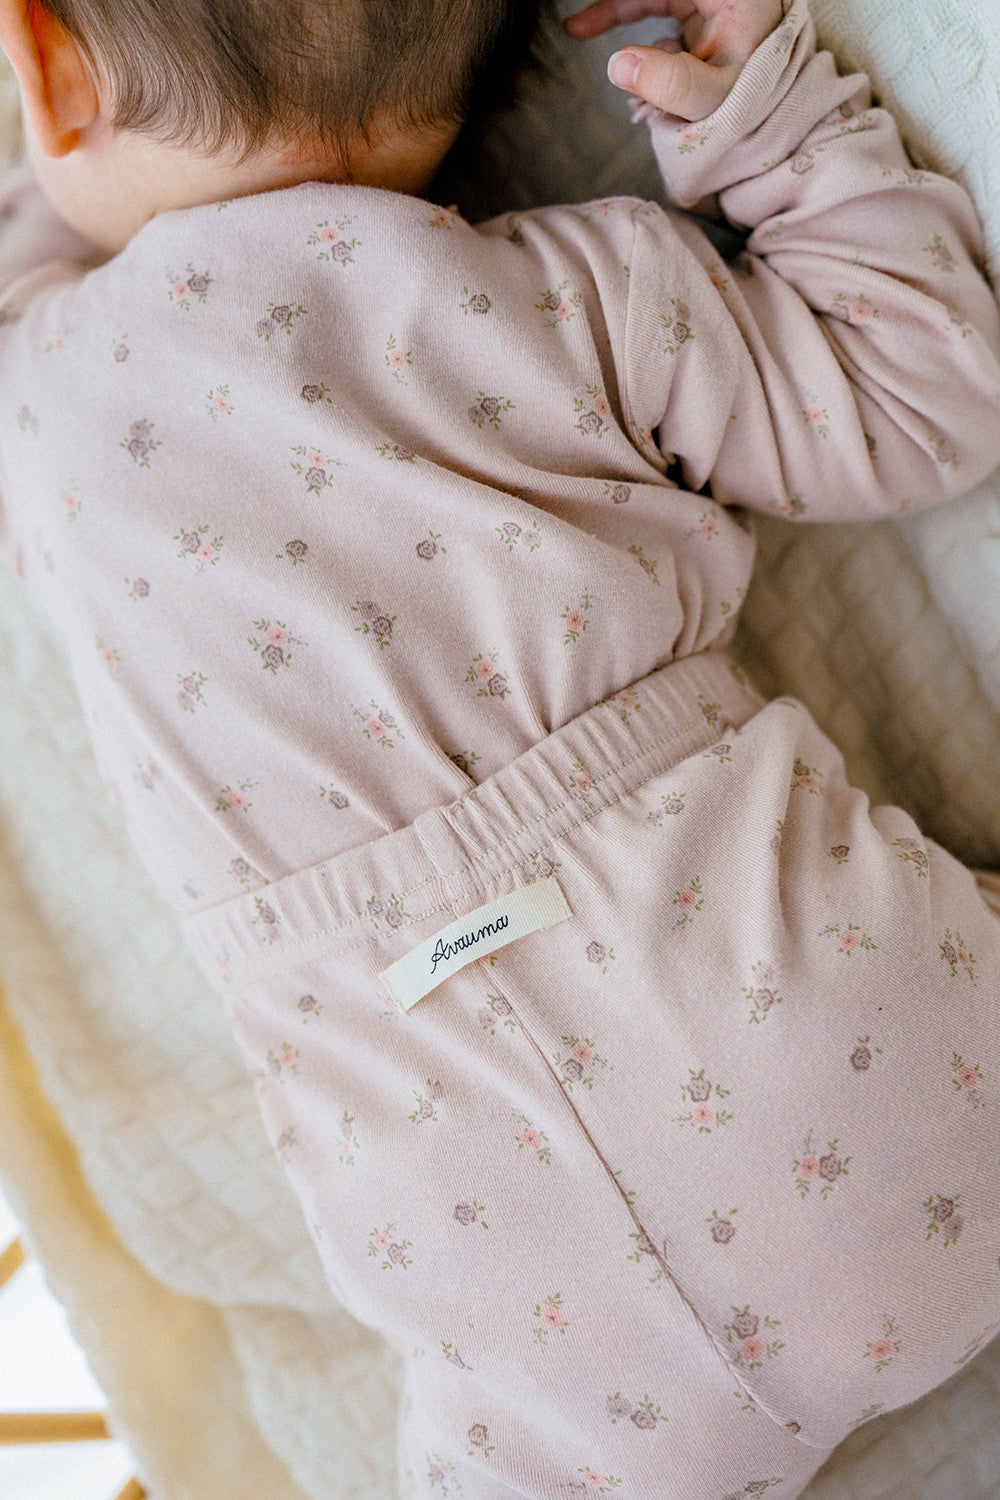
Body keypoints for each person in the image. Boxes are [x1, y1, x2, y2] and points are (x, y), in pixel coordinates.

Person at [1, 0, 999, 1494]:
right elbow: (926, 389)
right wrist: (757, 102)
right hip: (865, 1041)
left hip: (505, 1276)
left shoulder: (42, 393)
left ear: (44, 72)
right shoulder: (568, 291)